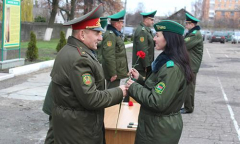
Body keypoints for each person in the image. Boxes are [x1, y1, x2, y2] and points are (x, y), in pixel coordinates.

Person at [50, 4, 127, 144]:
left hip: (71, 125)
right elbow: (91, 99)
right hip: (80, 130)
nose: (101, 38)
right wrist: (119, 92)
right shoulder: (80, 59)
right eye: (97, 33)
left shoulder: (68, 50)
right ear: (83, 34)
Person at [126, 20, 194, 143]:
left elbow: (157, 102)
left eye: (157, 35)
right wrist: (140, 80)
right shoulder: (167, 62)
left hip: (158, 130)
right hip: (155, 126)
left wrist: (133, 87)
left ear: (169, 39)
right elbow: (159, 88)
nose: (154, 39)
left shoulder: (171, 68)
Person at [180, 13, 203, 114]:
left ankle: (188, 108)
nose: (186, 25)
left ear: (192, 24)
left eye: (187, 23)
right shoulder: (192, 33)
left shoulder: (195, 34)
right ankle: (187, 106)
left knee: (189, 87)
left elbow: (184, 44)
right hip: (190, 64)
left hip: (192, 65)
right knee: (187, 85)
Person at [101, 10, 129, 89]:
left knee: (114, 93)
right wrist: (112, 73)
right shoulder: (111, 35)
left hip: (117, 70)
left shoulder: (115, 34)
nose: (122, 25)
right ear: (116, 23)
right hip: (114, 73)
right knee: (112, 94)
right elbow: (109, 55)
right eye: (121, 23)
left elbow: (120, 54)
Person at [132, 10, 157, 77]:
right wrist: (147, 65)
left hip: (144, 66)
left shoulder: (146, 30)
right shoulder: (142, 31)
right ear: (146, 20)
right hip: (141, 67)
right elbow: (142, 49)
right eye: (151, 20)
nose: (153, 22)